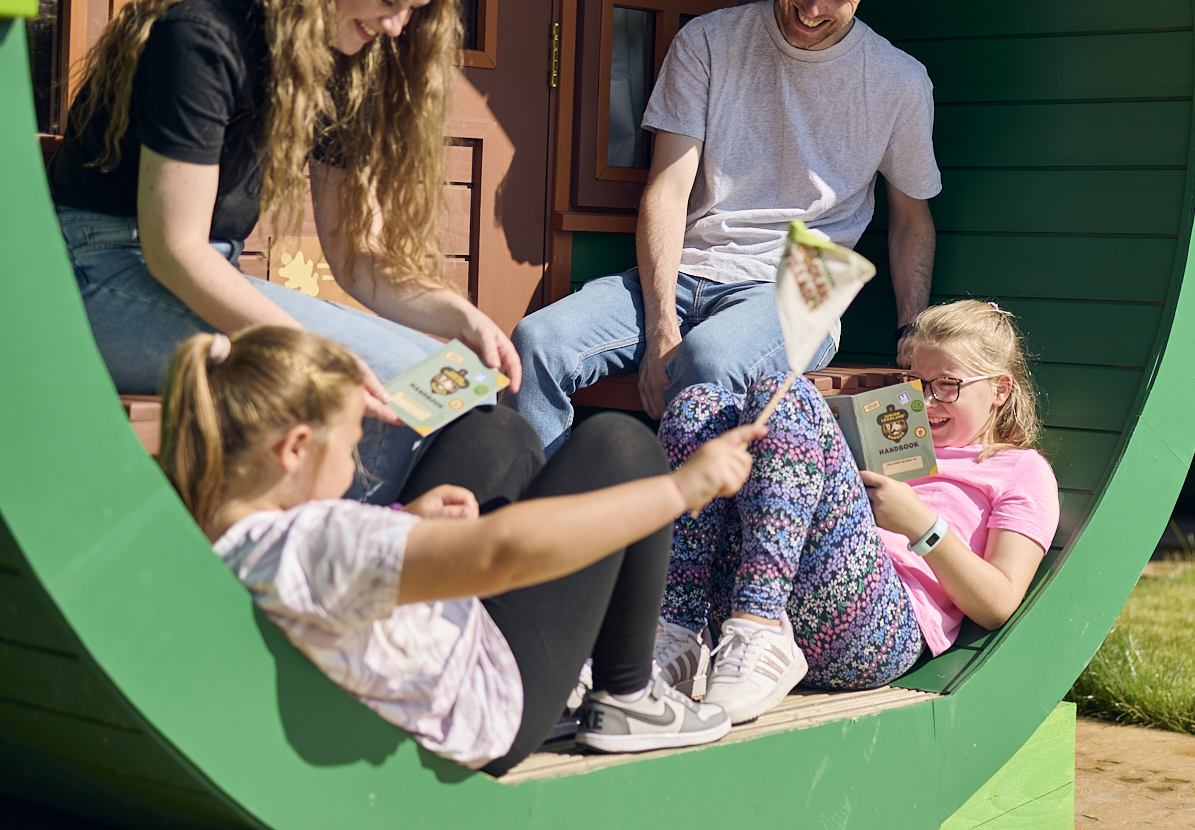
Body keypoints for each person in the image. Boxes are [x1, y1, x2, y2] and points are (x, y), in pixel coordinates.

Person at [48, 0, 520, 499]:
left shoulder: (337, 59)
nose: (394, 27)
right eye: (387, 0)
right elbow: (174, 249)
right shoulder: (202, 35)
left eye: (411, 9)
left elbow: (357, 255)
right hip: (96, 275)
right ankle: (318, 575)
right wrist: (313, 353)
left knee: (439, 384)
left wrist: (459, 316)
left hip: (205, 271)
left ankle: (357, 569)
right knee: (370, 393)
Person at [156, 325, 755, 774]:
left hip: (423, 640)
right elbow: (502, 554)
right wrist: (680, 489)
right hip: (484, 694)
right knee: (621, 446)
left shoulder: (219, 532)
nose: (356, 460)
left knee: (495, 431)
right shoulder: (320, 543)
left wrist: (400, 522)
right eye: (348, 446)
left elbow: (333, 574)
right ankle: (627, 696)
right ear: (293, 449)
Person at [511, 0, 942, 447]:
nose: (813, 9)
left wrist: (912, 336)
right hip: (684, 269)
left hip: (800, 286)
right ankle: (527, 527)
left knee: (710, 363)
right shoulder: (709, 41)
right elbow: (667, 190)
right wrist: (661, 320)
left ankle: (666, 531)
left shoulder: (900, 81)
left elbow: (912, 220)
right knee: (537, 341)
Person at [650, 300, 1059, 724]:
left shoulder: (1020, 470)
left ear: (1000, 389)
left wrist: (921, 525)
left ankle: (761, 624)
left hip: (875, 632)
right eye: (915, 383)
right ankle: (677, 632)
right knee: (700, 405)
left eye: (948, 385)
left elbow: (998, 604)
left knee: (785, 391)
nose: (927, 400)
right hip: (765, 599)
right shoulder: (890, 434)